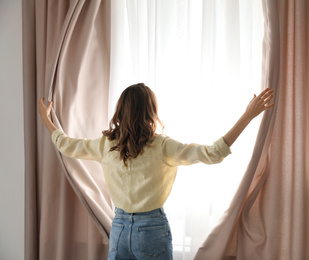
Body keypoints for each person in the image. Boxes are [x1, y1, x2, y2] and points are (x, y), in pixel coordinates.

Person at [38, 83, 275, 260]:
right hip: (151, 229)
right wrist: (248, 115)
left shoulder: (105, 145)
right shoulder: (162, 146)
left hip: (119, 228)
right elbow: (213, 153)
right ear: (150, 111)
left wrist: (46, 119)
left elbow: (65, 144)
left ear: (120, 110)